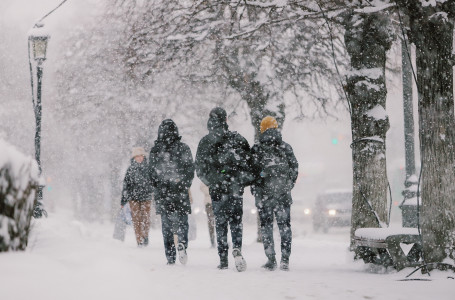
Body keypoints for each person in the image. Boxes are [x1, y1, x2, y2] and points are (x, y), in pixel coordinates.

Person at [195, 107, 252, 271]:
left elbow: (199, 168)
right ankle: (237, 248)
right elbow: (249, 164)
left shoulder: (205, 142)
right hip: (235, 189)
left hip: (217, 191)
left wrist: (212, 182)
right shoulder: (237, 139)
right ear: (226, 120)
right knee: (236, 222)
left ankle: (223, 258)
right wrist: (240, 181)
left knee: (220, 224)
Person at [250, 116, 299, 271]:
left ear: (262, 129)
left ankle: (271, 259)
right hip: (283, 194)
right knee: (284, 226)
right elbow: (295, 167)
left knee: (266, 226)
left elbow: (251, 172)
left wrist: (256, 187)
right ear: (276, 128)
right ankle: (285, 259)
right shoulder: (285, 147)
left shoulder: (257, 148)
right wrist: (288, 185)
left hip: (264, 195)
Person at [149, 119, 194, 265]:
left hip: (163, 193)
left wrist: (159, 184)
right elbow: (189, 169)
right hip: (180, 191)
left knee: (167, 225)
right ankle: (182, 243)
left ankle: (170, 256)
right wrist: (184, 183)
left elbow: (151, 173)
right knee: (182, 221)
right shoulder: (183, 148)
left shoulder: (156, 151)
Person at [120, 147, 153, 247]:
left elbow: (153, 182)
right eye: (137, 156)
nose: (139, 158)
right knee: (136, 219)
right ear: (134, 158)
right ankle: (139, 240)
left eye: (141, 156)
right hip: (133, 198)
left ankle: (145, 235)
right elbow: (126, 186)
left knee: (145, 218)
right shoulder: (130, 170)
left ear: (143, 157)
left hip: (146, 197)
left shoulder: (148, 168)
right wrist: (123, 201)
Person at [200, 182, 216, 248]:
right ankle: (212, 240)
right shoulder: (206, 175)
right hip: (209, 202)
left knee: (221, 221)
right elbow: (202, 187)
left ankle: (222, 239)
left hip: (219, 201)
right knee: (211, 221)